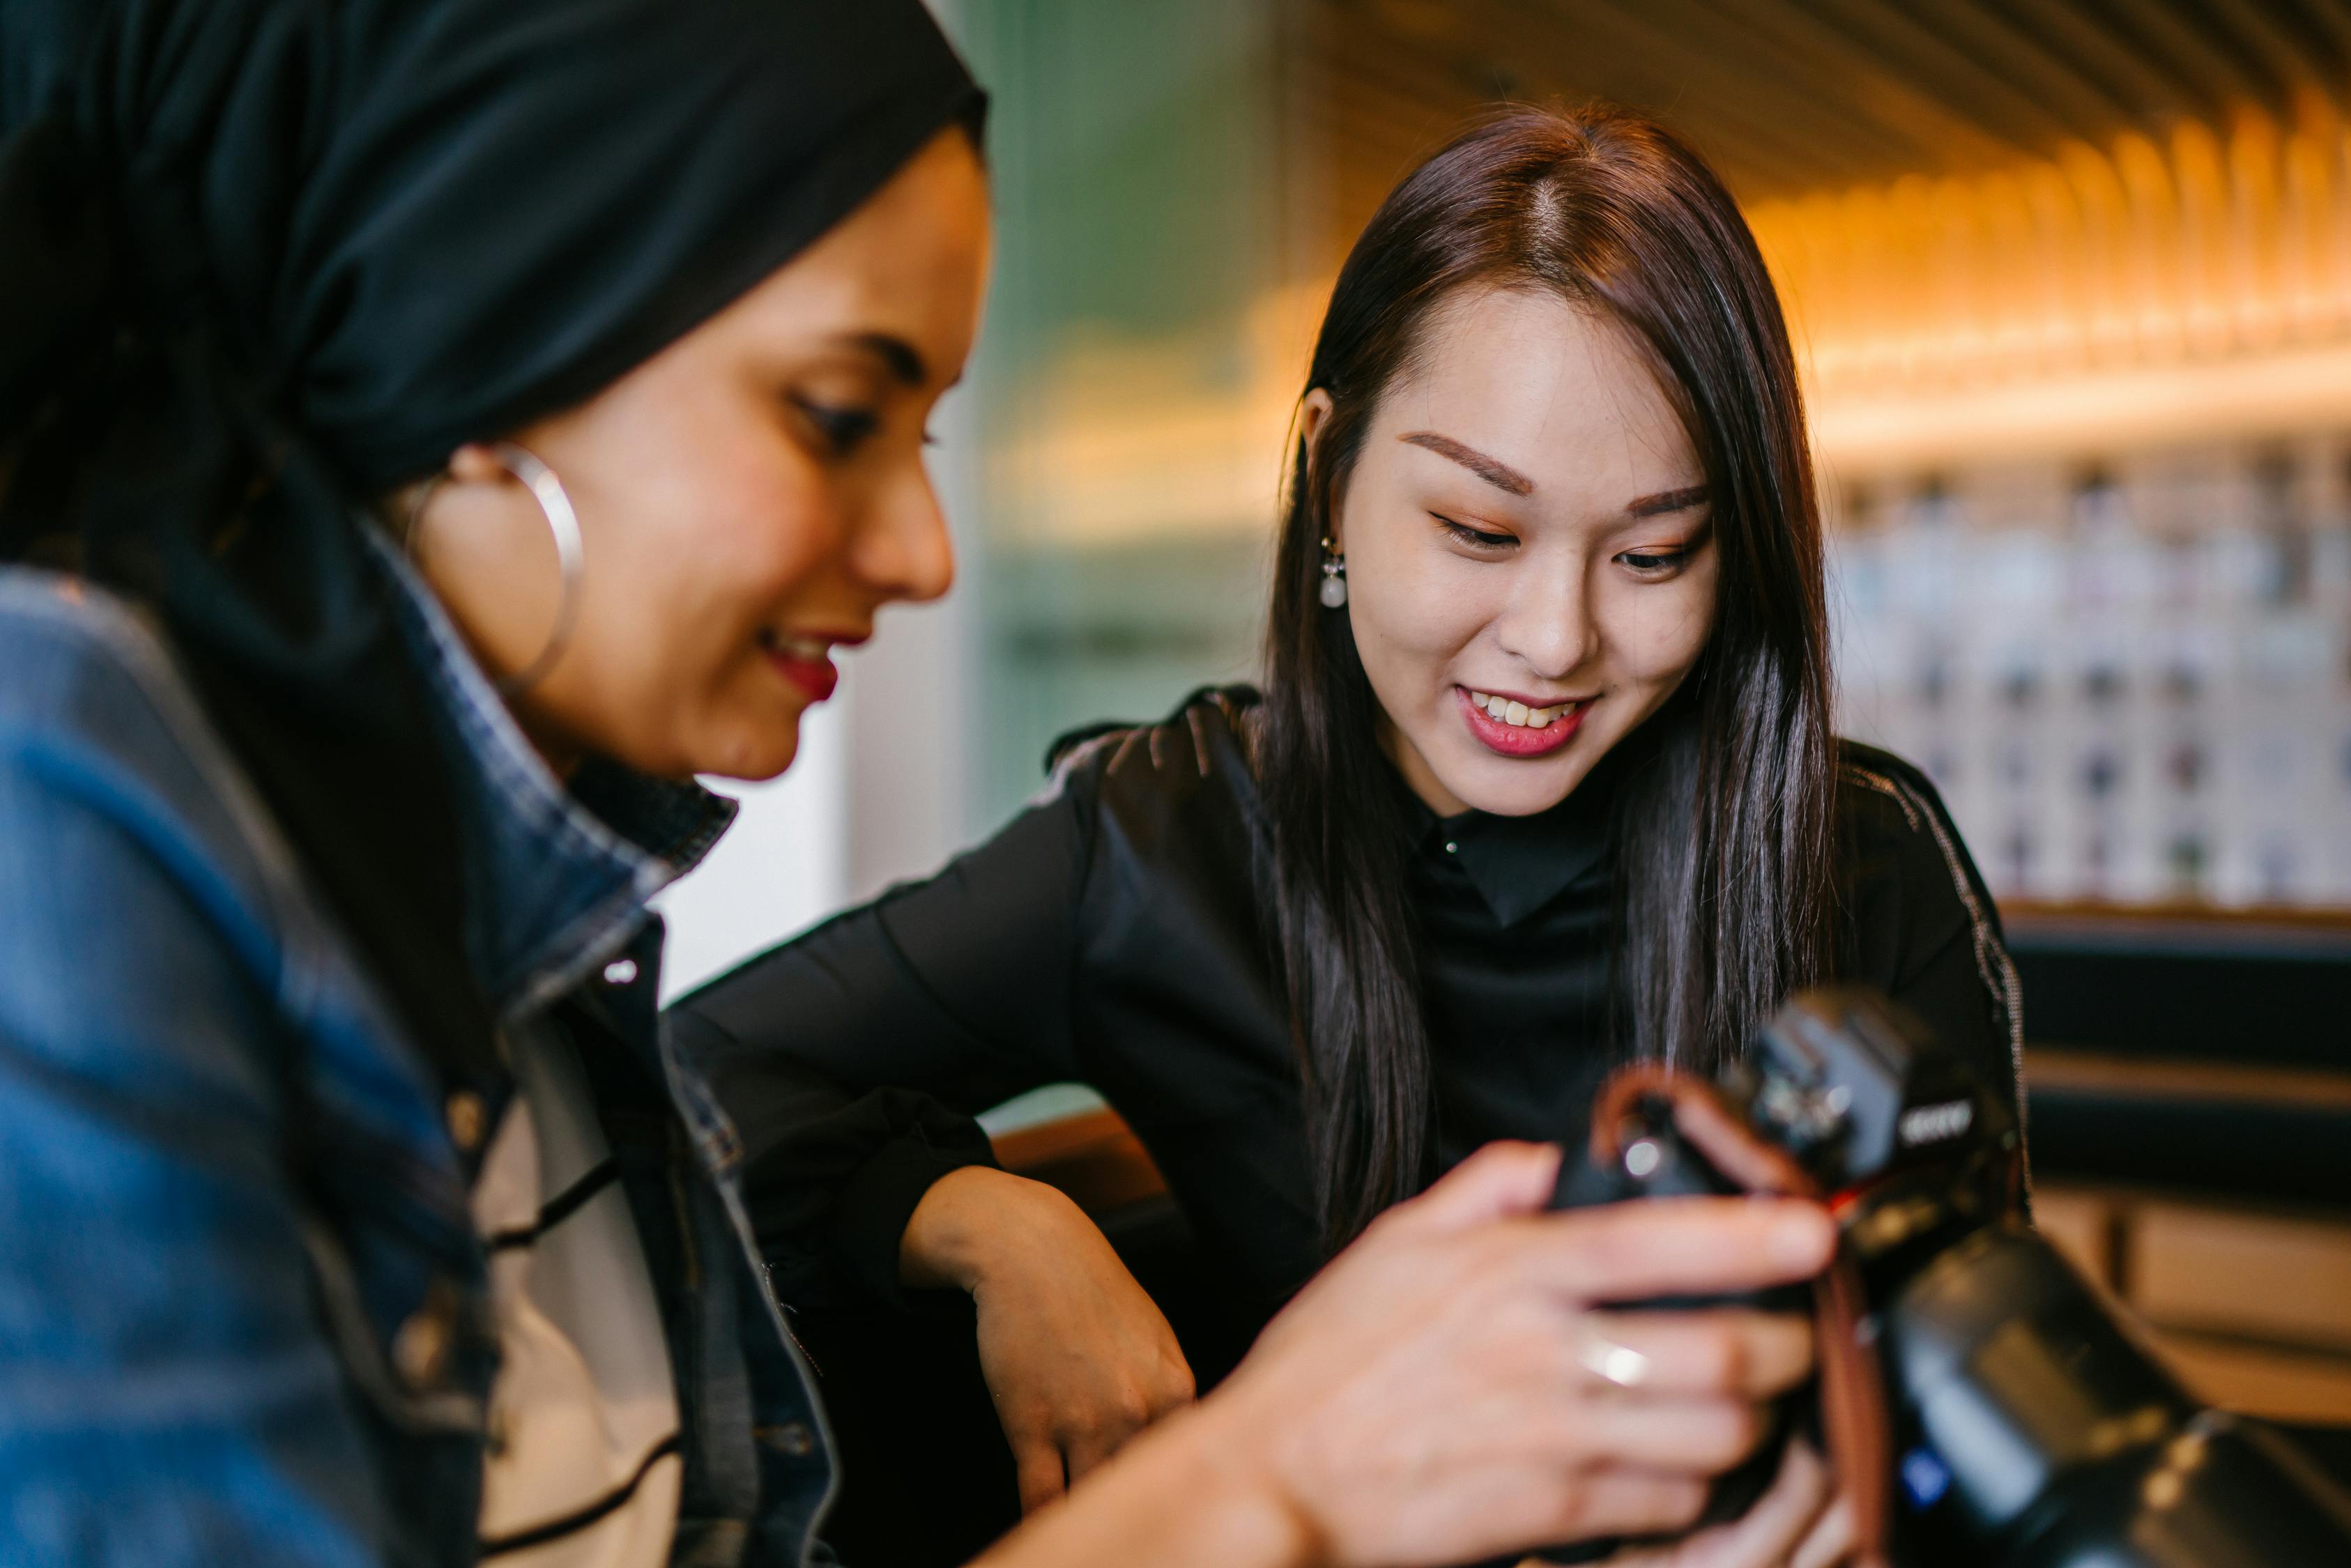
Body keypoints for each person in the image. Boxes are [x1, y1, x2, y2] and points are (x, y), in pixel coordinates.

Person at [0, 6, 1845, 1567]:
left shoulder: (539, 972)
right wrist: (1268, 1469)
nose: (926, 552)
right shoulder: (74, 858)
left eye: (1650, 553)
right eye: (831, 414)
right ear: (480, 327)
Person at [675, 105, 2027, 1562]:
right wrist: (987, 1228)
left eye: (1651, 555)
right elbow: (697, 1071)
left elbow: (1984, 1406)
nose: (1555, 639)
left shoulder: (1857, 860)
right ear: (1332, 475)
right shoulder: (1168, 833)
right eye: (1478, 532)